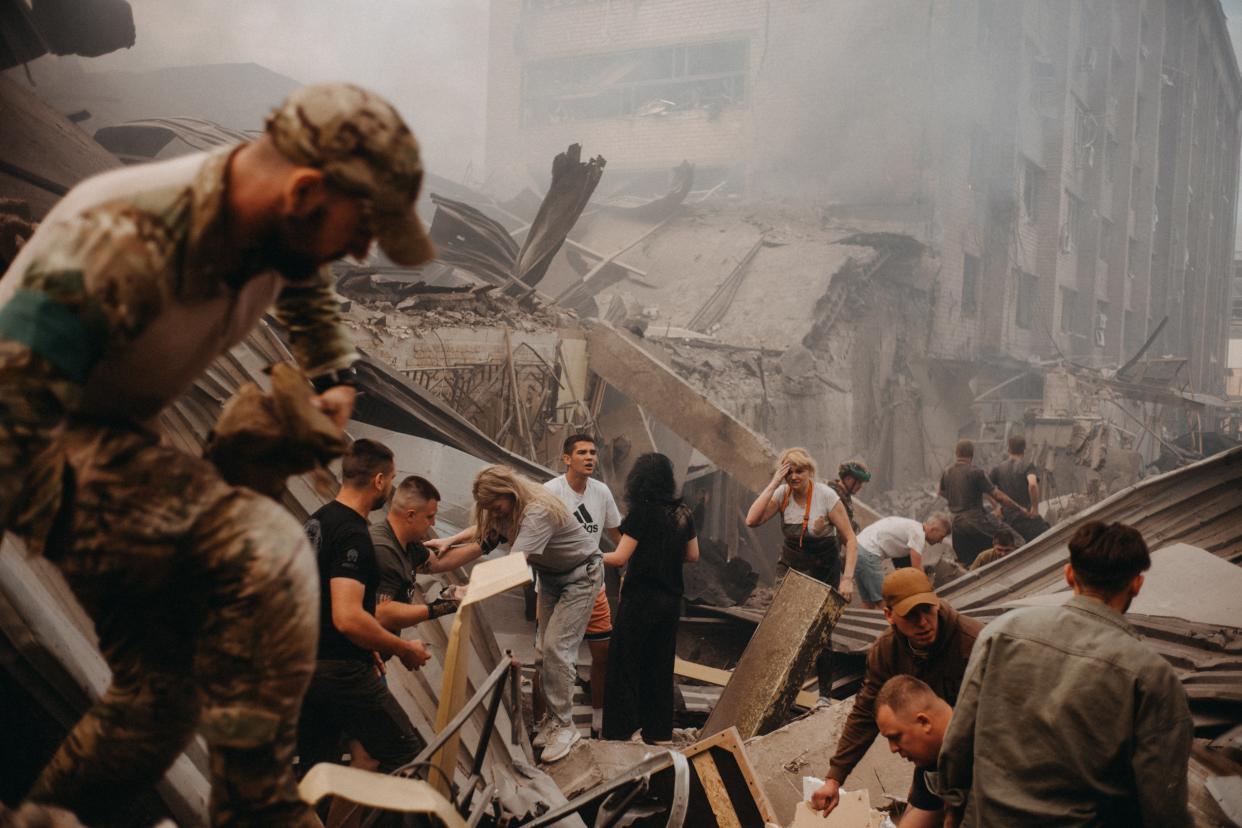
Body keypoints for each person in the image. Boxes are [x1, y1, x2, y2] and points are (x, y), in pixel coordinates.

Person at [0, 83, 433, 826]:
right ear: (302, 191)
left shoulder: (275, 228)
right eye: (359, 226)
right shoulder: (121, 240)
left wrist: (332, 376)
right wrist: (163, 534)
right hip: (28, 435)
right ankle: (258, 811)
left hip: (111, 429)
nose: (363, 249)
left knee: (163, 699)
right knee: (263, 553)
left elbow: (307, 288)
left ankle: (46, 817)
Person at [936, 522, 1193, 827]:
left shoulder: (1001, 633)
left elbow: (958, 741)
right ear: (1136, 584)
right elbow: (1163, 803)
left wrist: (953, 806)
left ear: (1069, 573)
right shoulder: (1152, 676)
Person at [426, 465, 603, 763]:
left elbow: (514, 567)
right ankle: (553, 719)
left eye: (495, 507)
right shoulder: (506, 511)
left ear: (509, 493)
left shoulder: (537, 512)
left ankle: (565, 726)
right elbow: (483, 536)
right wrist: (449, 541)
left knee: (557, 648)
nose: (493, 514)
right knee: (542, 653)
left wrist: (469, 588)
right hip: (552, 577)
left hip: (581, 576)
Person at [298, 440, 431, 780]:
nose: (391, 487)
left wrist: (363, 646)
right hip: (340, 673)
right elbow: (347, 617)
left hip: (304, 667)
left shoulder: (317, 522)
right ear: (379, 481)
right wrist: (402, 648)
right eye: (392, 479)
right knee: (409, 757)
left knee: (321, 771)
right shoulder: (355, 536)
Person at [810, 568, 983, 818]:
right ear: (889, 615)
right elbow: (865, 712)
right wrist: (834, 779)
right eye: (911, 615)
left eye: (927, 610)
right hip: (932, 758)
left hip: (981, 757)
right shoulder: (887, 652)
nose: (923, 622)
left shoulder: (974, 642)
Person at [600, 453, 699, 743]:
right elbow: (693, 556)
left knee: (626, 664)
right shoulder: (684, 513)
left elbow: (619, 557)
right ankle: (658, 732)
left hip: (640, 600)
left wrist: (587, 556)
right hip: (670, 603)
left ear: (639, 479)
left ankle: (621, 731)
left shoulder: (641, 513)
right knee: (659, 666)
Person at [746, 448, 858, 701]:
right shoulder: (782, 493)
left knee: (821, 629)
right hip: (792, 564)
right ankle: (777, 691)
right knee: (782, 624)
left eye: (800, 471)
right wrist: (775, 481)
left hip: (823, 566)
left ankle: (824, 696)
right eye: (790, 472)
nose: (794, 477)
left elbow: (851, 540)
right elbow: (752, 520)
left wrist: (847, 579)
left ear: (810, 472)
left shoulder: (826, 497)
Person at [541, 433, 622, 739]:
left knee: (602, 653)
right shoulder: (550, 492)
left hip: (591, 582)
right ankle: (544, 722)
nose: (590, 458)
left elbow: (619, 535)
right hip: (555, 584)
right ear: (566, 459)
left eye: (593, 453)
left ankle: (598, 721)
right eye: (582, 453)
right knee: (545, 655)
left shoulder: (601, 492)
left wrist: (621, 562)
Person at [850, 676, 954, 828]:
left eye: (895, 737)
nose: (893, 749)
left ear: (924, 722)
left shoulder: (983, 744)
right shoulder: (930, 763)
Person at [371, 474, 460, 632]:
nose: (433, 523)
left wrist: (485, 542)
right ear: (411, 515)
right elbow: (382, 614)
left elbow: (440, 562)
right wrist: (441, 607)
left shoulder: (408, 543)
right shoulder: (384, 551)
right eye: (430, 517)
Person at [938, 439, 1029, 568]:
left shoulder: (947, 471)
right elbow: (998, 495)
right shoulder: (976, 472)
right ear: (972, 455)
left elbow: (941, 493)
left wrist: (955, 498)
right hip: (976, 520)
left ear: (956, 453)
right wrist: (1020, 508)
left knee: (967, 563)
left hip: (956, 524)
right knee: (1018, 541)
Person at [855, 515, 951, 608]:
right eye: (941, 536)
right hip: (869, 552)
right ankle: (892, 624)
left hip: (857, 546)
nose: (940, 541)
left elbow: (904, 564)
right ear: (933, 529)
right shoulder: (918, 534)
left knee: (868, 601)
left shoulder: (912, 526)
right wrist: (929, 592)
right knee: (885, 601)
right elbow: (916, 569)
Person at [988, 435, 1051, 542]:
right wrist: (1035, 509)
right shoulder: (1028, 466)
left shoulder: (998, 468)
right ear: (1024, 450)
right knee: (1047, 539)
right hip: (1025, 518)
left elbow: (987, 489)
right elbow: (1032, 484)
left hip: (1006, 519)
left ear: (1008, 449)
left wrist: (996, 508)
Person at [827, 459, 871, 534]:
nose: (860, 486)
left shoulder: (845, 496)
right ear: (848, 479)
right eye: (859, 482)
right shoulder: (832, 495)